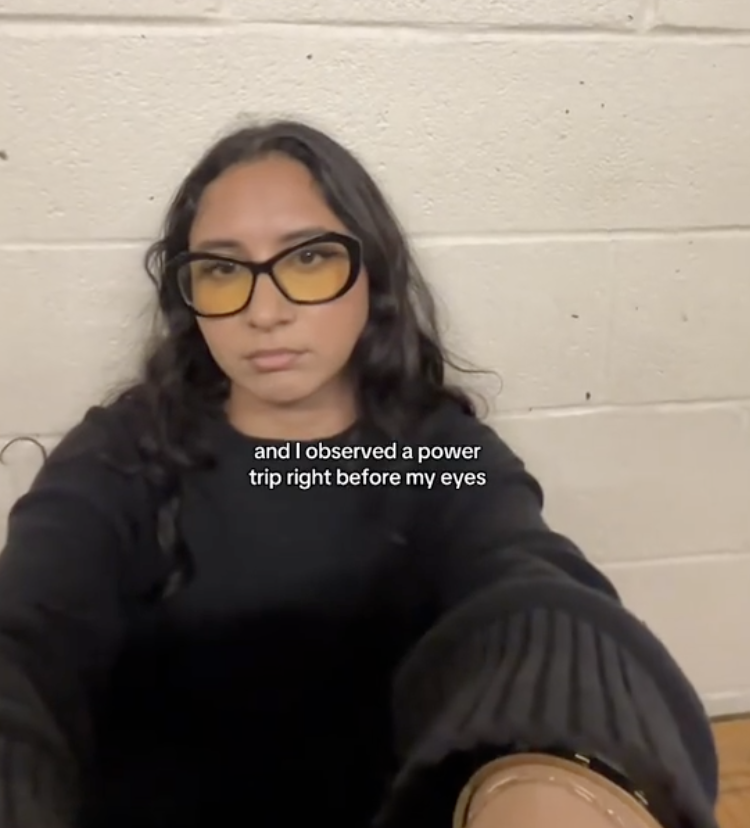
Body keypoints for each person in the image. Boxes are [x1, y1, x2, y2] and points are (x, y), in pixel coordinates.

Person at [0, 120, 718, 828]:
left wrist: (561, 775)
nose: (264, 310)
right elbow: (24, 632)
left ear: (371, 273)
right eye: (222, 270)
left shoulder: (432, 453)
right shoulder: (120, 456)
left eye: (308, 260)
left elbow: (529, 588)